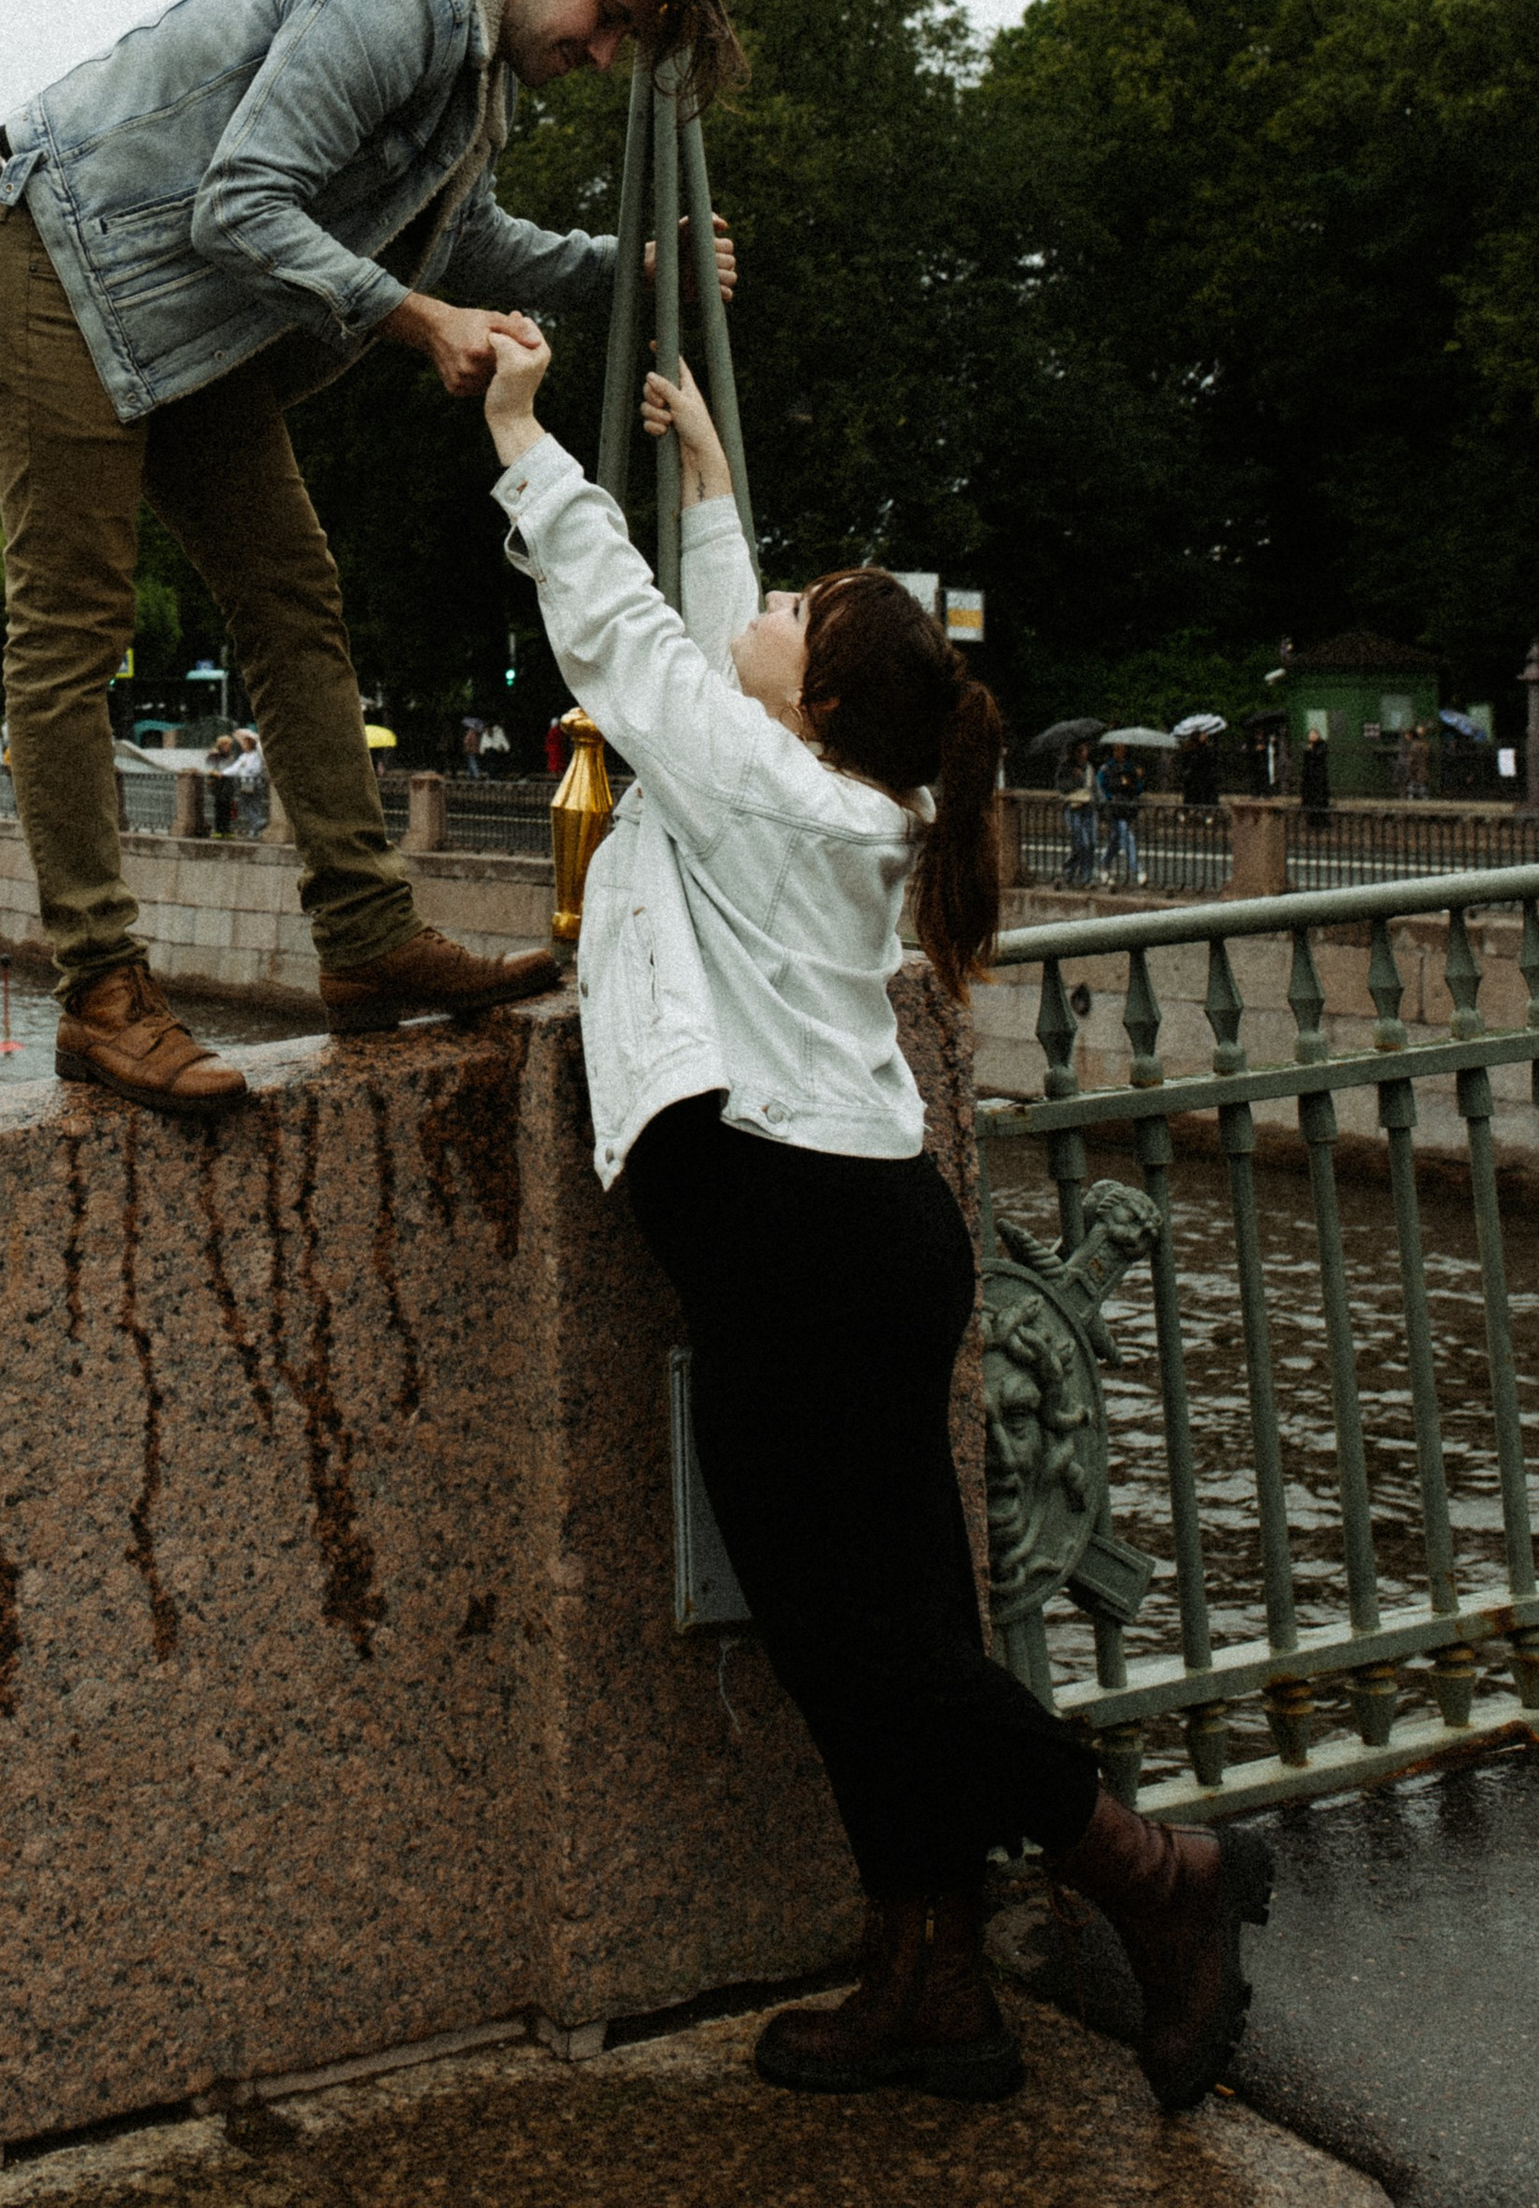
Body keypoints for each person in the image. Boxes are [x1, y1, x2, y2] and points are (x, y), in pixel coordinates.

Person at [477, 321, 1273, 2117]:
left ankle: (1157, 1878)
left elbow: (628, 646)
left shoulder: (758, 780)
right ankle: (926, 1979)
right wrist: (705, 480)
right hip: (864, 1230)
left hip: (795, 1247)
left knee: (879, 1651)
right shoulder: (836, 786)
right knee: (894, 1622)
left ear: (814, 702)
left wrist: (530, 439)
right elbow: (715, 641)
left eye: (802, 617)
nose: (766, 612)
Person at [0, 0, 742, 1116]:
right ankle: (101, 991)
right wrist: (417, 320)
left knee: (292, 601)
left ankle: (367, 940)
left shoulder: (477, 76)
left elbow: (457, 235)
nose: (600, 54)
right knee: (73, 630)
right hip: (59, 257)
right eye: (604, 16)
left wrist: (626, 268)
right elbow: (242, 203)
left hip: (190, 316)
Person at [1099, 746, 1144, 890]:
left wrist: (1139, 778)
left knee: (1115, 840)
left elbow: (1137, 789)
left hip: (1125, 808)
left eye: (1122, 750)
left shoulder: (1130, 768)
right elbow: (1100, 788)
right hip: (1113, 809)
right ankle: (1137, 869)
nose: (1120, 753)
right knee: (1126, 836)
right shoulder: (1106, 768)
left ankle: (1104, 864)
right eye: (1117, 750)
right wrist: (1109, 799)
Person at [1059, 741, 1098, 888]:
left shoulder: (1089, 768)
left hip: (1088, 807)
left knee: (1091, 843)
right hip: (1074, 807)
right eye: (1081, 751)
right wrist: (1075, 778)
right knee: (1081, 843)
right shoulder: (1066, 768)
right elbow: (1062, 787)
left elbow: (1094, 787)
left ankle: (1087, 877)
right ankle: (1069, 870)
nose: (1084, 753)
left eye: (1085, 750)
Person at [1300, 723, 1333, 836]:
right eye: (1311, 734)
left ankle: (1322, 821)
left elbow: (1319, 756)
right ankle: (1312, 821)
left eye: (1314, 734)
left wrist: (1311, 751)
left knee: (1320, 799)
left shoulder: (1321, 745)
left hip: (1319, 777)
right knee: (1311, 799)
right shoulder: (1308, 747)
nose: (1312, 736)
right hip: (1310, 778)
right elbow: (1306, 763)